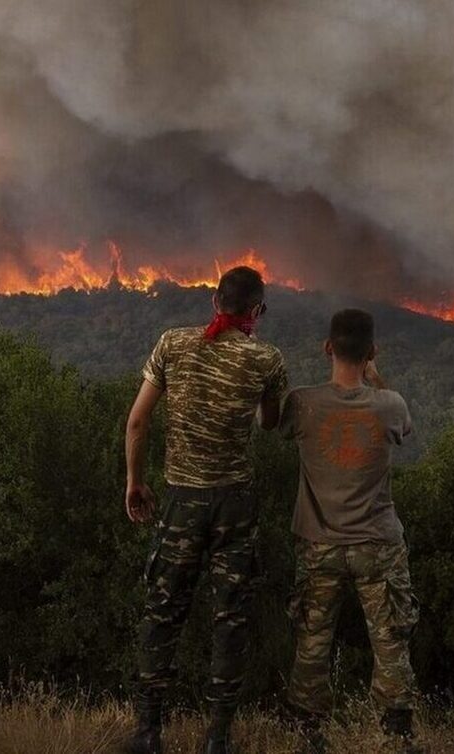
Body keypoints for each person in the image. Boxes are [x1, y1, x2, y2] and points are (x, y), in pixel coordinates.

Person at [123, 266, 290, 754]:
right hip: (234, 505)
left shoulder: (172, 344)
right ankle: (217, 738)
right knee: (230, 619)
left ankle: (148, 732)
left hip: (181, 500)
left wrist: (135, 482)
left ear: (215, 301)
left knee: (162, 612)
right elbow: (269, 423)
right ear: (256, 310)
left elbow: (137, 423)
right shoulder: (266, 359)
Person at [280, 309, 422, 754]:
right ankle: (396, 735)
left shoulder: (301, 404)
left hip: (319, 545)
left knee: (312, 638)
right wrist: (374, 377)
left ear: (327, 347)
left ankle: (307, 733)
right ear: (372, 351)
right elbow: (404, 429)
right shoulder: (390, 404)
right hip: (377, 545)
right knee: (390, 637)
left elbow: (273, 425)